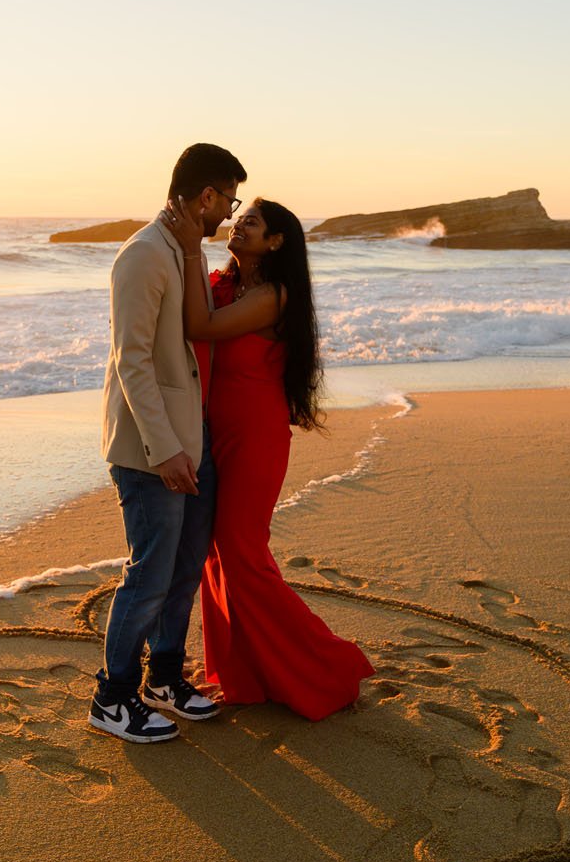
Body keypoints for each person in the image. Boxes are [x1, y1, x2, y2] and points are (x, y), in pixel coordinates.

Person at [164, 196, 373, 720]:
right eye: (239, 219)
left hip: (256, 436)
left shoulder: (274, 296)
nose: (238, 226)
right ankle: (242, 674)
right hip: (213, 431)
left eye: (250, 222)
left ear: (275, 241)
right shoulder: (225, 284)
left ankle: (328, 668)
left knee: (242, 553)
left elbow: (201, 327)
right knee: (216, 552)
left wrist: (191, 248)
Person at [91, 143, 246, 743]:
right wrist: (166, 450)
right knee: (149, 574)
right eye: (228, 200)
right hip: (150, 449)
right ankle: (112, 698)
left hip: (189, 436)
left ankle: (162, 678)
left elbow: (193, 333)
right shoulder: (142, 256)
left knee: (183, 568)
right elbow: (131, 363)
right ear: (205, 195)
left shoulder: (182, 248)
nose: (230, 213)